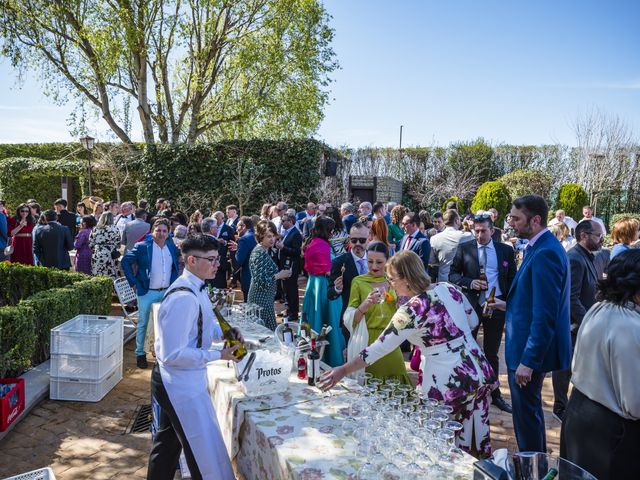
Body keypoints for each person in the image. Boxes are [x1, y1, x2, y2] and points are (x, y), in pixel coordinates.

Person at [320, 250, 498, 457]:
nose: (390, 284)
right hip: (479, 369)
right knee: (475, 436)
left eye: (392, 279)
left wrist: (342, 370)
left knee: (442, 444)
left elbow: (377, 349)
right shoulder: (448, 288)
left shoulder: (411, 310)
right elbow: (473, 320)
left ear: (406, 279)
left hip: (449, 381)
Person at [147, 234, 241, 480]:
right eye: (211, 259)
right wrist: (218, 354)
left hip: (184, 378)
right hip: (176, 382)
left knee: (167, 444)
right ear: (191, 260)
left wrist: (224, 332)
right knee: (199, 449)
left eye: (217, 259)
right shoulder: (183, 298)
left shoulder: (197, 287)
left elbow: (201, 327)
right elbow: (172, 354)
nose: (217, 265)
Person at [488, 195, 572, 453]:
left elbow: (546, 314)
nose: (510, 222)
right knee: (527, 417)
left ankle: (532, 467)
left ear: (535, 220)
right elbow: (534, 299)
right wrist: (506, 305)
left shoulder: (546, 252)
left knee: (527, 419)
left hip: (527, 353)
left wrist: (529, 361)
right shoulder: (539, 245)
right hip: (524, 347)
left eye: (515, 217)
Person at [560, 249, 640, 480]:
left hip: (578, 411)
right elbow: (635, 404)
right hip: (612, 433)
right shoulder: (631, 327)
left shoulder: (598, 308)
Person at [449, 213, 517, 413]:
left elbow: (513, 277)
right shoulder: (465, 248)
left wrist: (506, 302)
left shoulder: (505, 250)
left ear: (492, 230)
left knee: (491, 352)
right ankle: (466, 390)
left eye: (483, 231)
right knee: (467, 348)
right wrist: (469, 282)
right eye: (476, 231)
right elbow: (452, 274)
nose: (479, 235)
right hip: (472, 305)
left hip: (495, 305)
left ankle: (495, 394)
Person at [552, 220, 606, 422]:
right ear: (584, 235)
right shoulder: (574, 258)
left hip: (584, 323)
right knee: (564, 367)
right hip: (574, 325)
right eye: (598, 236)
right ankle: (560, 407)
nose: (602, 240)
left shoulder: (591, 257)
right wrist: (588, 321)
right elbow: (571, 297)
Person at [343, 241, 411, 384]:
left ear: (387, 262)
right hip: (367, 340)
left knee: (396, 381)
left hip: (391, 337)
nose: (374, 266)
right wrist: (365, 305)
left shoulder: (395, 281)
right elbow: (350, 318)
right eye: (370, 261)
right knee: (370, 385)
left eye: (379, 262)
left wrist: (401, 303)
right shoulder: (358, 281)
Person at [122, 218, 181, 368]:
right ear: (152, 231)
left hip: (167, 292)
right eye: (158, 230)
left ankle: (160, 352)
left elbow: (177, 263)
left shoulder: (171, 246)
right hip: (147, 292)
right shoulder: (142, 246)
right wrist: (133, 282)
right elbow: (125, 261)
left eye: (164, 231)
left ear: (169, 233)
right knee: (143, 323)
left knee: (165, 325)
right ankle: (140, 353)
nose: (161, 234)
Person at [302, 216, 345, 366]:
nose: (333, 234)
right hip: (323, 286)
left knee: (316, 319)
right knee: (330, 320)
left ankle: (315, 356)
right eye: (331, 231)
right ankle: (330, 358)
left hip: (313, 284)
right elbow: (328, 270)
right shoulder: (322, 246)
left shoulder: (312, 242)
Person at [328, 222, 370, 343]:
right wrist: (337, 288)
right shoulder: (339, 262)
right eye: (354, 240)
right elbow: (330, 294)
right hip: (352, 320)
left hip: (374, 318)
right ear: (349, 240)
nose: (357, 244)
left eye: (362, 240)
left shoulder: (375, 260)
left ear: (369, 239)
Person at [247, 220, 291, 330]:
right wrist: (279, 275)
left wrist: (281, 274)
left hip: (266, 299)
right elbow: (260, 282)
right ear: (260, 237)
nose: (272, 239)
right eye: (268, 236)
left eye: (273, 236)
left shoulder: (264, 250)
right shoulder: (259, 253)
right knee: (265, 334)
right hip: (260, 301)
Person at [429, 209, 474, 282]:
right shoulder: (467, 236)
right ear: (456, 221)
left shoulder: (434, 238)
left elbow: (432, 262)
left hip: (443, 281)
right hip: (460, 281)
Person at [275, 213, 303, 321]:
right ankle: (288, 310)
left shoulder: (295, 233)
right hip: (284, 265)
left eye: (284, 220)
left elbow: (296, 252)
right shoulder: (286, 232)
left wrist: (283, 247)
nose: (282, 222)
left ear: (290, 221)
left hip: (291, 266)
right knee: (285, 289)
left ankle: (293, 313)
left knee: (291, 290)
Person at [228, 216, 256, 301]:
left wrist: (232, 253)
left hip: (249, 279)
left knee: (250, 309)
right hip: (259, 278)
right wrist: (238, 247)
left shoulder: (244, 239)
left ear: (243, 226)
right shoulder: (256, 236)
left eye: (237, 227)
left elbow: (236, 265)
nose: (236, 230)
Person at [89, 212, 121, 279]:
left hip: (98, 253)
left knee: (97, 275)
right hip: (111, 254)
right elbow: (118, 244)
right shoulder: (115, 229)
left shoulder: (95, 229)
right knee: (110, 275)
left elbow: (90, 243)